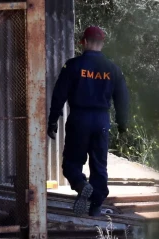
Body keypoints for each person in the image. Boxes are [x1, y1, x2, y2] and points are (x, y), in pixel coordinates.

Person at [47, 25, 130, 217]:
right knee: (99, 165)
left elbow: (59, 94)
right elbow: (123, 98)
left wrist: (53, 120)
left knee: (72, 162)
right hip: (101, 120)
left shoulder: (73, 65)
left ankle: (81, 184)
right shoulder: (113, 69)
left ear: (83, 42)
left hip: (79, 118)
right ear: (102, 44)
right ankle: (96, 206)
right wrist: (123, 125)